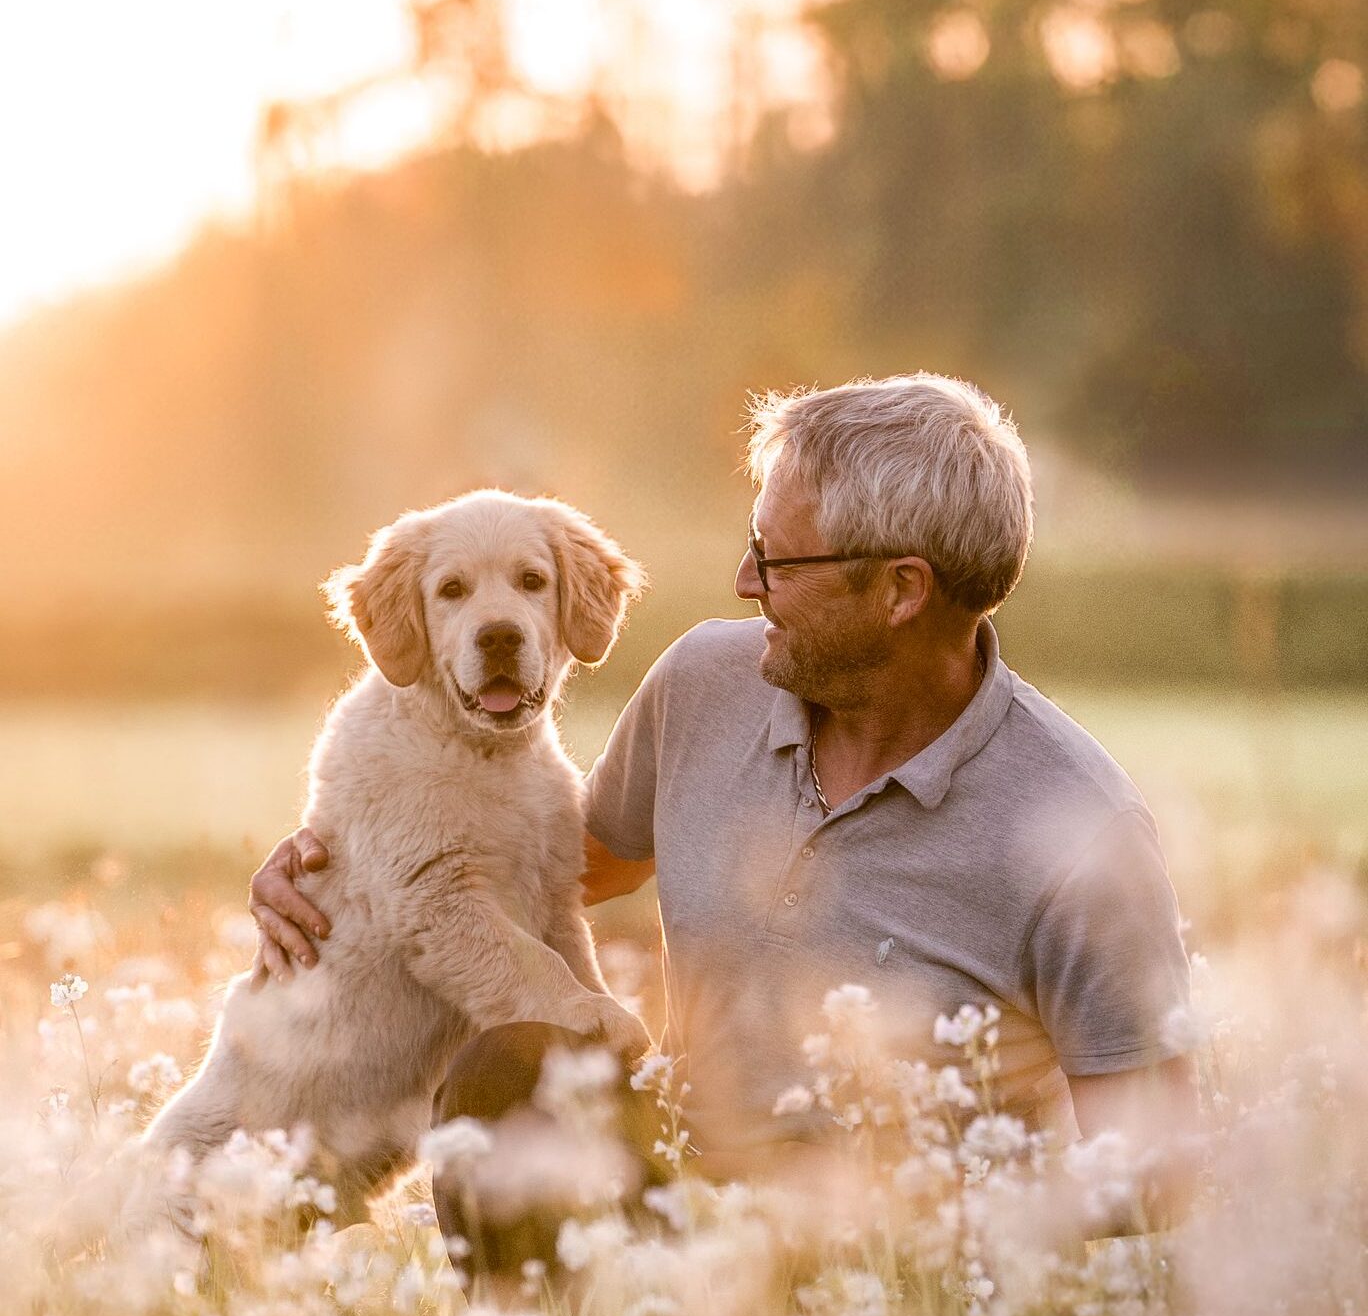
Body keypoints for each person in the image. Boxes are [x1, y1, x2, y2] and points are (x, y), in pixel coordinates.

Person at [249, 374, 1199, 1228]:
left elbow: (1155, 1179)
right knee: (509, 1066)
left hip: (898, 1271)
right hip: (671, 1211)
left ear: (903, 591)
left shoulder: (1084, 837)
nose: (746, 584)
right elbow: (535, 874)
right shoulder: (705, 682)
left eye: (779, 563)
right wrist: (339, 871)